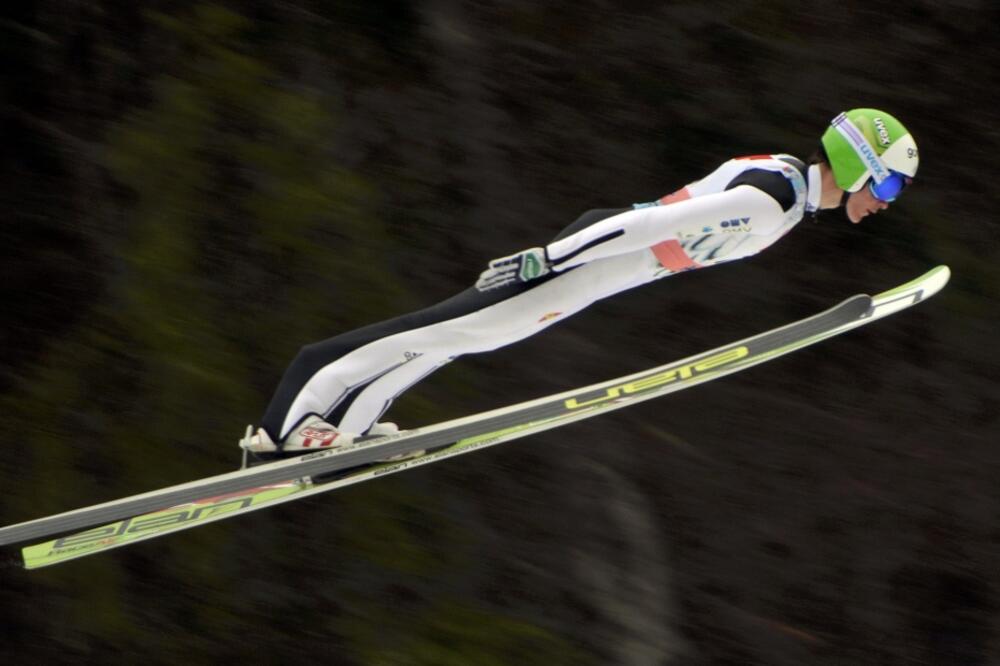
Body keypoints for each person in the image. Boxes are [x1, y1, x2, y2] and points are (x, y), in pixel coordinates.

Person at [240, 108, 919, 455]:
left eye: (898, 188)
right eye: (886, 181)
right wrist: (549, 257)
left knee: (464, 339)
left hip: (597, 275)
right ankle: (286, 420)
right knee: (441, 329)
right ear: (854, 162)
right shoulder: (771, 196)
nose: (887, 199)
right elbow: (649, 223)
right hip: (591, 256)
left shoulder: (788, 195)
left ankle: (343, 432)